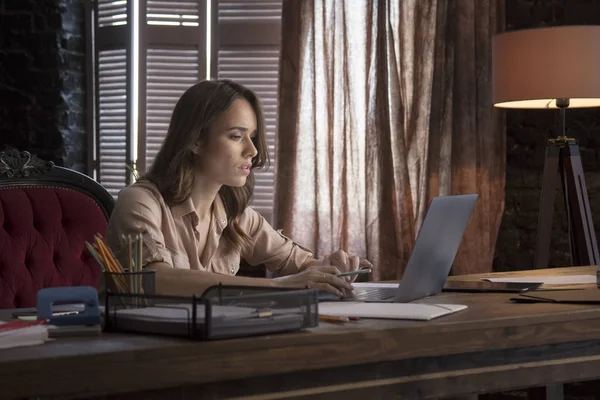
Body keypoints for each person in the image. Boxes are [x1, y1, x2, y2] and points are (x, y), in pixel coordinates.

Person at [106, 79, 372, 298]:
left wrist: (332, 269)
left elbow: (301, 264)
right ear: (196, 141)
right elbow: (155, 279)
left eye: (252, 137)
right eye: (236, 136)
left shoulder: (237, 215)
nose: (253, 151)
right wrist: (279, 286)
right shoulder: (140, 202)